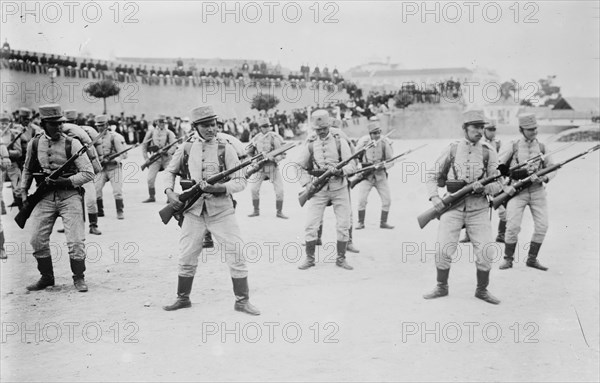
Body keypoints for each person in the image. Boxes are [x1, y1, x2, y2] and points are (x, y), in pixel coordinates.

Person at [162, 105, 260, 315]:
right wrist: (170, 193)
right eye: (205, 126)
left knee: (237, 254)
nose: (210, 129)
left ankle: (242, 301)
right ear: (196, 127)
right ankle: (183, 298)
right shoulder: (186, 148)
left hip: (222, 211)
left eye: (213, 125)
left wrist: (220, 188)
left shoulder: (227, 147)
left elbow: (240, 181)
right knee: (187, 256)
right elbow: (169, 171)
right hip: (193, 212)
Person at [423, 110, 502, 304]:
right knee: (442, 249)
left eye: (482, 127)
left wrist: (483, 188)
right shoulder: (451, 149)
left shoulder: (488, 151)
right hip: (452, 208)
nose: (480, 131)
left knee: (486, 251)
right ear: (465, 128)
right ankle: (441, 287)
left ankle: (482, 290)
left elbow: (499, 183)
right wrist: (434, 198)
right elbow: (432, 175)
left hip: (478, 209)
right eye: (475, 127)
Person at [20, 104, 95, 292]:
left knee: (76, 241)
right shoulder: (35, 143)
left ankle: (79, 277)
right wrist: (23, 192)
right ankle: (46, 277)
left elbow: (88, 173)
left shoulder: (73, 143)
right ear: (43, 123)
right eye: (53, 124)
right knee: (36, 239)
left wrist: (66, 181)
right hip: (43, 196)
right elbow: (27, 169)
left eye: (60, 123)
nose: (58, 127)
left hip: (69, 195)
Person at [296, 110, 357, 270]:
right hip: (318, 189)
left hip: (339, 187)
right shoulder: (310, 143)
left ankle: (341, 258)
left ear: (329, 125)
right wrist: (306, 184)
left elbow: (352, 165)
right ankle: (309, 258)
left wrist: (341, 171)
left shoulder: (339, 142)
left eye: (324, 128)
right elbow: (299, 166)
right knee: (311, 224)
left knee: (344, 223)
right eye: (318, 129)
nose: (321, 132)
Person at [498, 114, 556, 271]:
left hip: (538, 191)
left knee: (543, 225)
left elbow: (553, 167)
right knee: (512, 226)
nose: (534, 131)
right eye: (530, 129)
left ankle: (532, 258)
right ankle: (508, 259)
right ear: (520, 130)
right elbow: (499, 168)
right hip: (517, 191)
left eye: (535, 128)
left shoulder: (543, 147)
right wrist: (506, 184)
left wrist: (545, 177)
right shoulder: (513, 146)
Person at [459, 119, 506, 243]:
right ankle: (469, 234)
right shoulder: (479, 143)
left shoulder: (498, 143)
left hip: (494, 174)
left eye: (494, 129)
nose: (492, 132)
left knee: (501, 207)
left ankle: (501, 234)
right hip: (482, 176)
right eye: (490, 129)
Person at [61, 110, 104, 233]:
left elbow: (94, 151)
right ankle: (70, 225)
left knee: (91, 199)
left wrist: (96, 166)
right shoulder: (60, 137)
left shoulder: (84, 134)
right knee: (68, 202)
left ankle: (93, 225)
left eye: (71, 122)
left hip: (85, 169)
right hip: (69, 172)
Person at [354, 120, 395, 230]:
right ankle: (361, 222)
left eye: (378, 133)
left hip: (380, 176)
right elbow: (354, 157)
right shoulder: (363, 143)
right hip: (366, 176)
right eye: (374, 133)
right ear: (370, 134)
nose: (377, 135)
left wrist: (383, 166)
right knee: (362, 200)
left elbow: (391, 160)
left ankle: (383, 222)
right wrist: (361, 167)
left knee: (387, 200)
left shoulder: (384, 143)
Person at [246, 117, 288, 219]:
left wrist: (274, 158)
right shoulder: (256, 138)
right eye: (264, 127)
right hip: (259, 168)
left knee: (280, 190)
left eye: (267, 126)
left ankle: (279, 211)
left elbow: (282, 153)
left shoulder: (275, 137)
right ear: (260, 128)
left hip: (272, 167)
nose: (266, 128)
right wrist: (254, 161)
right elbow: (249, 152)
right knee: (254, 189)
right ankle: (256, 210)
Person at [141, 114, 177, 202]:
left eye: (163, 122)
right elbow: (144, 145)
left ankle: (170, 197)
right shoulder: (151, 132)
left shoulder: (169, 132)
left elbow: (174, 145)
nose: (162, 124)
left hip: (166, 158)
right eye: (160, 122)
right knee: (150, 179)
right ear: (156, 122)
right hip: (155, 158)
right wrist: (146, 158)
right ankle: (152, 196)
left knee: (169, 177)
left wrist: (167, 152)